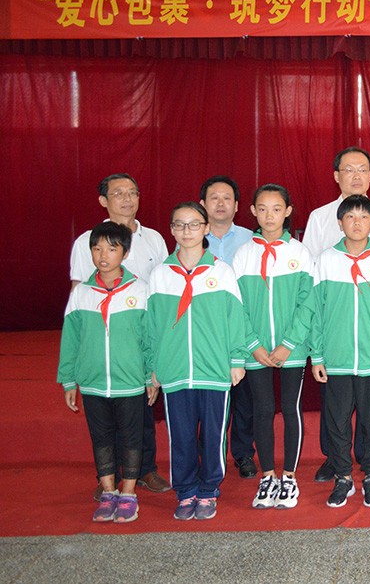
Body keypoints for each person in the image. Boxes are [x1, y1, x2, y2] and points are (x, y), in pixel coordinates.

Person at [302, 146, 370, 482]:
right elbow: (311, 270)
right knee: (335, 404)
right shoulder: (320, 217)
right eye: (349, 169)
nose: (356, 175)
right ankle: (335, 460)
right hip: (336, 329)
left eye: (362, 169)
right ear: (336, 176)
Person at [69, 173, 170, 497]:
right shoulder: (87, 241)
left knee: (142, 412)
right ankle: (108, 478)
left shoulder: (154, 239)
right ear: (103, 200)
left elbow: (163, 288)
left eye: (132, 192)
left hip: (142, 336)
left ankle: (146, 470)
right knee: (105, 416)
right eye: (118, 193)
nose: (127, 199)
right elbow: (78, 291)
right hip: (103, 341)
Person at [146, 202, 248, 521]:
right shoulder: (160, 275)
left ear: (205, 228)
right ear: (172, 230)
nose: (186, 231)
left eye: (193, 224)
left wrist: (236, 358)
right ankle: (186, 490)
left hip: (214, 369)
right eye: (180, 225)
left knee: (214, 435)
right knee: (182, 436)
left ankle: (208, 490)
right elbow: (151, 327)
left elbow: (236, 319)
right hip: (175, 370)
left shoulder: (222, 271)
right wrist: (153, 366)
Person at [58, 222, 155, 523]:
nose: (103, 255)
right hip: (93, 382)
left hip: (130, 381)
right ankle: (108, 490)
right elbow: (70, 340)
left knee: (131, 438)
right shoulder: (81, 293)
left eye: (112, 249)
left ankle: (128, 493)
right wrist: (68, 379)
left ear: (125, 253)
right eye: (97, 248)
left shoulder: (141, 290)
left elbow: (149, 339)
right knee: (100, 438)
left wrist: (150, 375)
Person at [311, 195, 370, 509]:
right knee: (337, 421)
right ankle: (343, 476)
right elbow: (315, 312)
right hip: (336, 359)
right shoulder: (326, 260)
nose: (357, 223)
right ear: (340, 223)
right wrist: (317, 355)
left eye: (363, 218)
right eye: (350, 217)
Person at [231, 184, 315, 509]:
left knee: (291, 408)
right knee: (262, 410)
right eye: (263, 209)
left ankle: (289, 477)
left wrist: (288, 344)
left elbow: (308, 303)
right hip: (256, 350)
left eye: (277, 209)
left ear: (288, 211)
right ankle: (268, 476)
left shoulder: (300, 253)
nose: (269, 216)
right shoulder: (243, 254)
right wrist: (253, 345)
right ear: (253, 211)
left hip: (291, 349)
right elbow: (235, 305)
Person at [200, 175, 257, 480]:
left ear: (236, 205)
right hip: (205, 332)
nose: (220, 204)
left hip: (242, 329)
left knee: (244, 398)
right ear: (203, 204)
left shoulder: (251, 240)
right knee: (208, 399)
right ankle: (209, 454)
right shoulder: (191, 237)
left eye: (227, 198)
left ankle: (243, 453)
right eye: (214, 198)